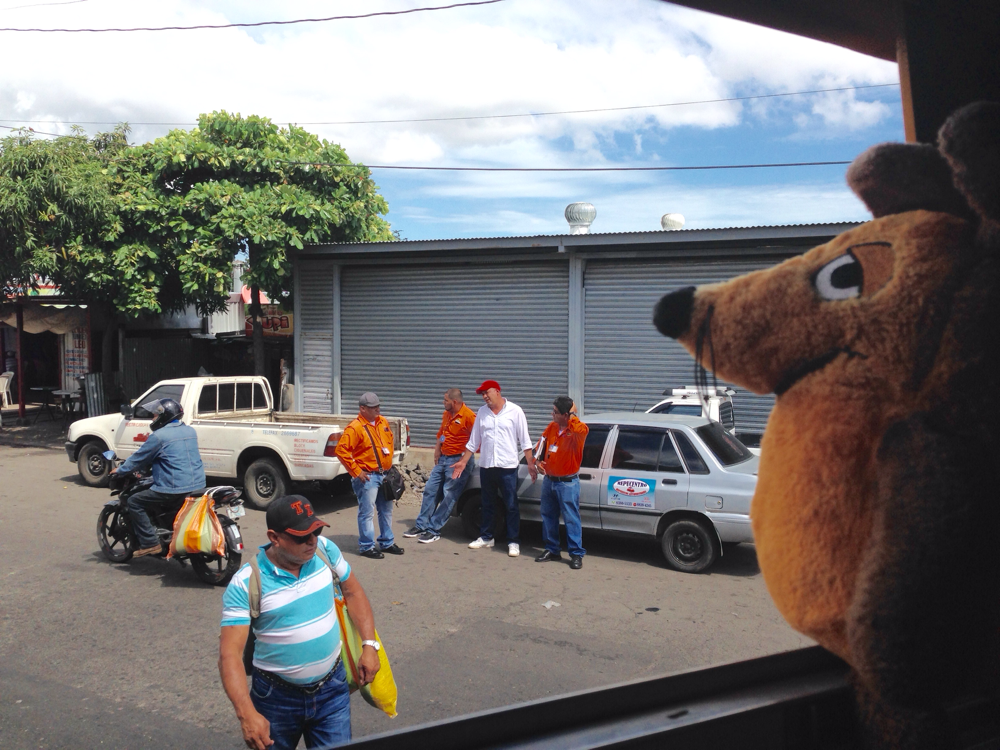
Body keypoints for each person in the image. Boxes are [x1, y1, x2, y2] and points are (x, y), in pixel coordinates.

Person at [218, 494, 381, 750]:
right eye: (301, 536)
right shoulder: (247, 582)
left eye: (315, 532)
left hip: (333, 691)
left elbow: (353, 593)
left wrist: (370, 646)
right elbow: (230, 655)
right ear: (274, 537)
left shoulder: (325, 551)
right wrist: (246, 714)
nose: (311, 542)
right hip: (275, 699)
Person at [451, 380, 537, 557]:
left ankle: (513, 541)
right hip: (487, 466)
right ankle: (486, 537)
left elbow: (525, 440)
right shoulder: (482, 413)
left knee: (511, 505)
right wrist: (463, 461)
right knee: (487, 503)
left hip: (507, 467)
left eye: (486, 393)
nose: (484, 397)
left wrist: (530, 463)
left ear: (497, 391)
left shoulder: (515, 411)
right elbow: (474, 441)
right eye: (482, 394)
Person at [113, 397, 206, 557]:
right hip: (198, 484)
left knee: (134, 501)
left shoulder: (159, 436)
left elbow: (139, 458)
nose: (152, 418)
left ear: (164, 416)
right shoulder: (190, 431)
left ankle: (151, 543)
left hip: (173, 488)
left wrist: (120, 470)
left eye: (155, 415)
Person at [334, 392, 405, 559]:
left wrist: (388, 464)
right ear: (362, 408)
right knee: (367, 512)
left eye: (378, 406)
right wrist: (357, 472)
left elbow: (389, 442)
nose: (377, 410)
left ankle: (387, 542)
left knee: (386, 510)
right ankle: (366, 546)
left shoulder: (383, 422)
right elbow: (341, 451)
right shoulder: (355, 427)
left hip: (384, 475)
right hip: (368, 477)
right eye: (373, 407)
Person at [403, 388, 477, 544]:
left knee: (449, 494)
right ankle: (421, 525)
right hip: (443, 458)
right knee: (430, 490)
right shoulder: (446, 414)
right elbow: (441, 433)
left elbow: (477, 440)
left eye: (445, 400)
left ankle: (434, 529)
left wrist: (464, 459)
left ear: (454, 401)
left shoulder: (469, 417)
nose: (443, 403)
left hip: (457, 461)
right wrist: (437, 450)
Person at [535, 397, 589, 570]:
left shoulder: (576, 431)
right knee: (548, 516)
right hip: (549, 480)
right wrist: (538, 462)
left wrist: (572, 415)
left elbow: (581, 428)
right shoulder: (551, 428)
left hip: (567, 483)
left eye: (556, 412)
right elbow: (541, 447)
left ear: (566, 415)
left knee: (571, 519)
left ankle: (576, 554)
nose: (552, 415)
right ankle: (552, 549)